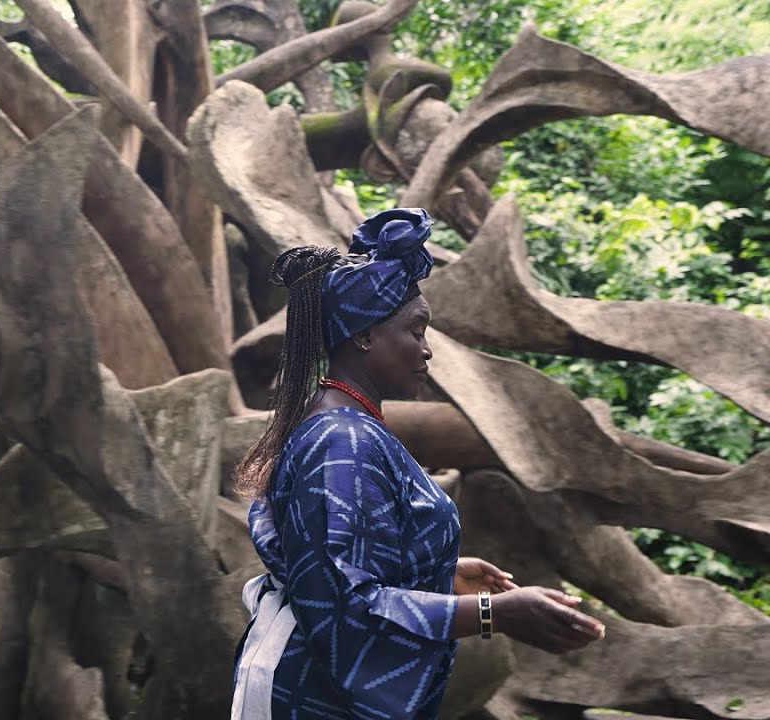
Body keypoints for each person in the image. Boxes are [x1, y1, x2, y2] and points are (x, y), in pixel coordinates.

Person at [230, 208, 606, 720]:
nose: (427, 350)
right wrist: (495, 614)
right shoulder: (342, 440)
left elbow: (327, 561)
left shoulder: (346, 427)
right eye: (416, 331)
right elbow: (342, 605)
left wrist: (439, 572)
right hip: (313, 697)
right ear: (364, 336)